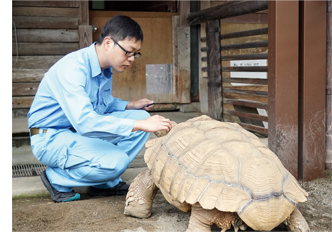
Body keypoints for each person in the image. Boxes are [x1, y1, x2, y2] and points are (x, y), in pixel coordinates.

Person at [27, 15, 172, 203]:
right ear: (108, 43)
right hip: (50, 137)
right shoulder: (73, 69)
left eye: (136, 53)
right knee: (120, 157)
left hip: (76, 134)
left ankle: (104, 182)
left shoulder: (104, 69)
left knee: (140, 115)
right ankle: (56, 178)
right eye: (128, 52)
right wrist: (140, 124)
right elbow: (86, 122)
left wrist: (130, 105)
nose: (132, 59)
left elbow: (102, 105)